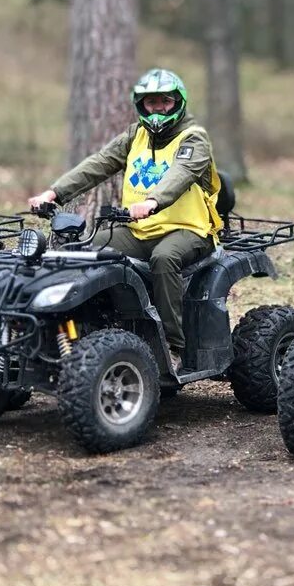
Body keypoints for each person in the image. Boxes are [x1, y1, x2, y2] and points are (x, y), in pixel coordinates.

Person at [27, 68, 221, 368]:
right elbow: (98, 164)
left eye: (164, 101)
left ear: (178, 102)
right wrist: (53, 193)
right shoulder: (135, 135)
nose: (156, 108)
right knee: (85, 251)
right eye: (150, 102)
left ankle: (173, 346)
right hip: (139, 231)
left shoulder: (194, 138)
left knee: (164, 259)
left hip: (188, 230)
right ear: (140, 105)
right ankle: (85, 330)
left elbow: (181, 174)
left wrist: (152, 201)